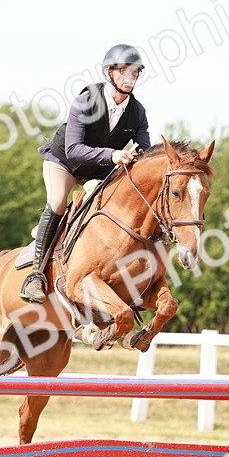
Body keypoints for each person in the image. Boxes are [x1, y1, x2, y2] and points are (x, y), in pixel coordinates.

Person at [20, 44, 152, 303]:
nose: (130, 77)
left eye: (134, 72)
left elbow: (145, 152)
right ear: (110, 73)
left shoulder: (137, 112)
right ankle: (36, 275)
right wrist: (113, 155)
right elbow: (74, 149)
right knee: (58, 200)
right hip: (65, 162)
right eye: (124, 71)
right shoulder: (86, 100)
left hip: (100, 171)